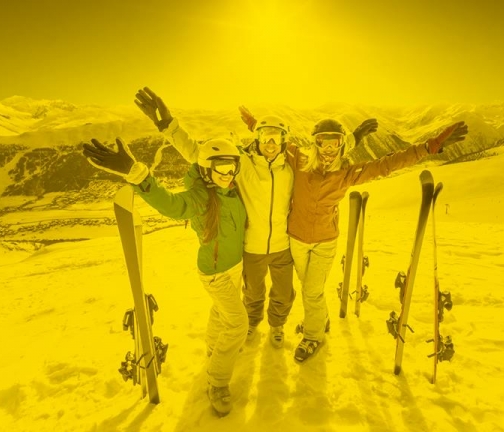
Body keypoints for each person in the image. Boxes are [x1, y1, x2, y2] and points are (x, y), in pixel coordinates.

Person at [240, 108, 468, 362]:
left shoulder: (346, 173)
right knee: (310, 289)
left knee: (312, 292)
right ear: (315, 144)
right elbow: (273, 139)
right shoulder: (300, 161)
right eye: (322, 142)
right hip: (296, 240)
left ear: (341, 145)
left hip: (324, 242)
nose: (328, 149)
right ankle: (320, 319)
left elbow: (386, 165)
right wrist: (254, 124)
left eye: (335, 143)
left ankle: (313, 336)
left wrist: (428, 147)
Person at [82, 136, 246, 416]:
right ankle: (217, 382)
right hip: (215, 272)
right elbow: (171, 204)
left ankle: (213, 350)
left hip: (235, 266)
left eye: (232, 167)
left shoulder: (232, 190)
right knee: (238, 324)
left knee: (222, 312)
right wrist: (137, 173)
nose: (227, 174)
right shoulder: (201, 196)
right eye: (220, 167)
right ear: (206, 169)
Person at [134, 87, 298, 349]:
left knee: (284, 292)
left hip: (282, 245)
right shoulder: (243, 164)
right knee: (253, 293)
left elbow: (324, 163)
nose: (270, 143)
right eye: (265, 137)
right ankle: (251, 324)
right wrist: (168, 126)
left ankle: (277, 325)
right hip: (252, 246)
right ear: (257, 139)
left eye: (276, 138)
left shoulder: (291, 168)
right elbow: (199, 153)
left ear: (284, 141)